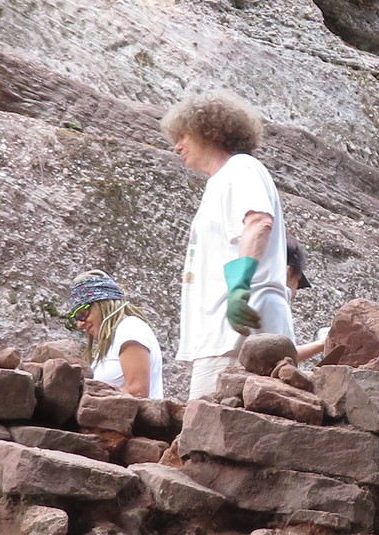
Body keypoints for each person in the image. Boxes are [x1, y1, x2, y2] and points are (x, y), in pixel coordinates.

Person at [164, 91, 290, 399]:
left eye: (183, 136)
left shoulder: (240, 168)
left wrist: (239, 287)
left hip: (236, 328)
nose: (177, 146)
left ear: (210, 131)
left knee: (207, 423)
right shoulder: (220, 181)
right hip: (224, 330)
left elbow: (258, 222)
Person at [64, 271, 162, 399]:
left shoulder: (130, 329)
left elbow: (137, 392)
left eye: (82, 314)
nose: (80, 324)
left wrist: (89, 398)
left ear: (102, 305)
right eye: (76, 318)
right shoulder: (115, 338)